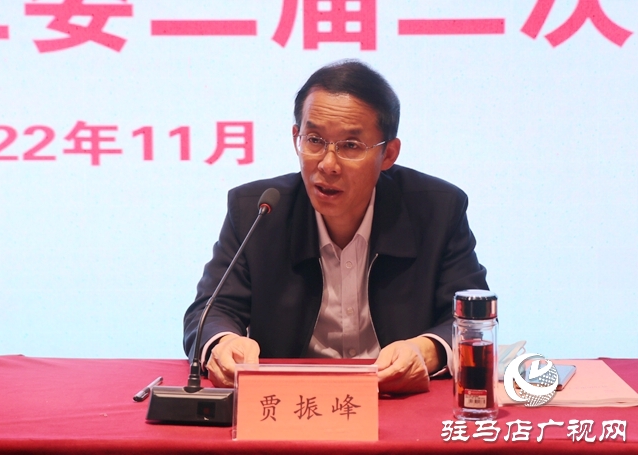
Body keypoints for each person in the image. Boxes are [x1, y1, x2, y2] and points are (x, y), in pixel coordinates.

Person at [183, 60, 488, 394]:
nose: (328, 165)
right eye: (314, 140)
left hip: (396, 399)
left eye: (350, 146)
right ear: (296, 138)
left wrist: (425, 351)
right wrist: (224, 343)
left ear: (388, 154)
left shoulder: (437, 211)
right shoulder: (259, 211)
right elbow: (209, 312)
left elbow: (473, 321)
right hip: (291, 402)